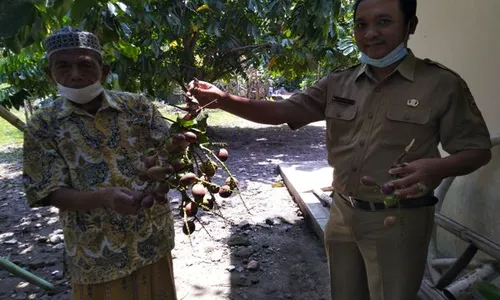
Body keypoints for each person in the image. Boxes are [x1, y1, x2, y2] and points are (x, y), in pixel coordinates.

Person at [186, 0, 493, 299]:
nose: (370, 33)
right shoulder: (339, 82)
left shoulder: (441, 84)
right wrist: (222, 99)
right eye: (362, 25)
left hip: (397, 221)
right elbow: (282, 112)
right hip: (342, 214)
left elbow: (478, 150)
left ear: (410, 26)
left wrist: (433, 168)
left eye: (383, 22)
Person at [22, 27, 178, 300]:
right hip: (95, 249)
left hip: (150, 237)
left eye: (85, 65)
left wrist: (173, 159)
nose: (75, 75)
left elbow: (166, 155)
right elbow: (47, 191)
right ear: (50, 75)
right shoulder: (42, 125)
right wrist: (104, 198)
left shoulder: (138, 107)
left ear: (104, 71)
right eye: (63, 66)